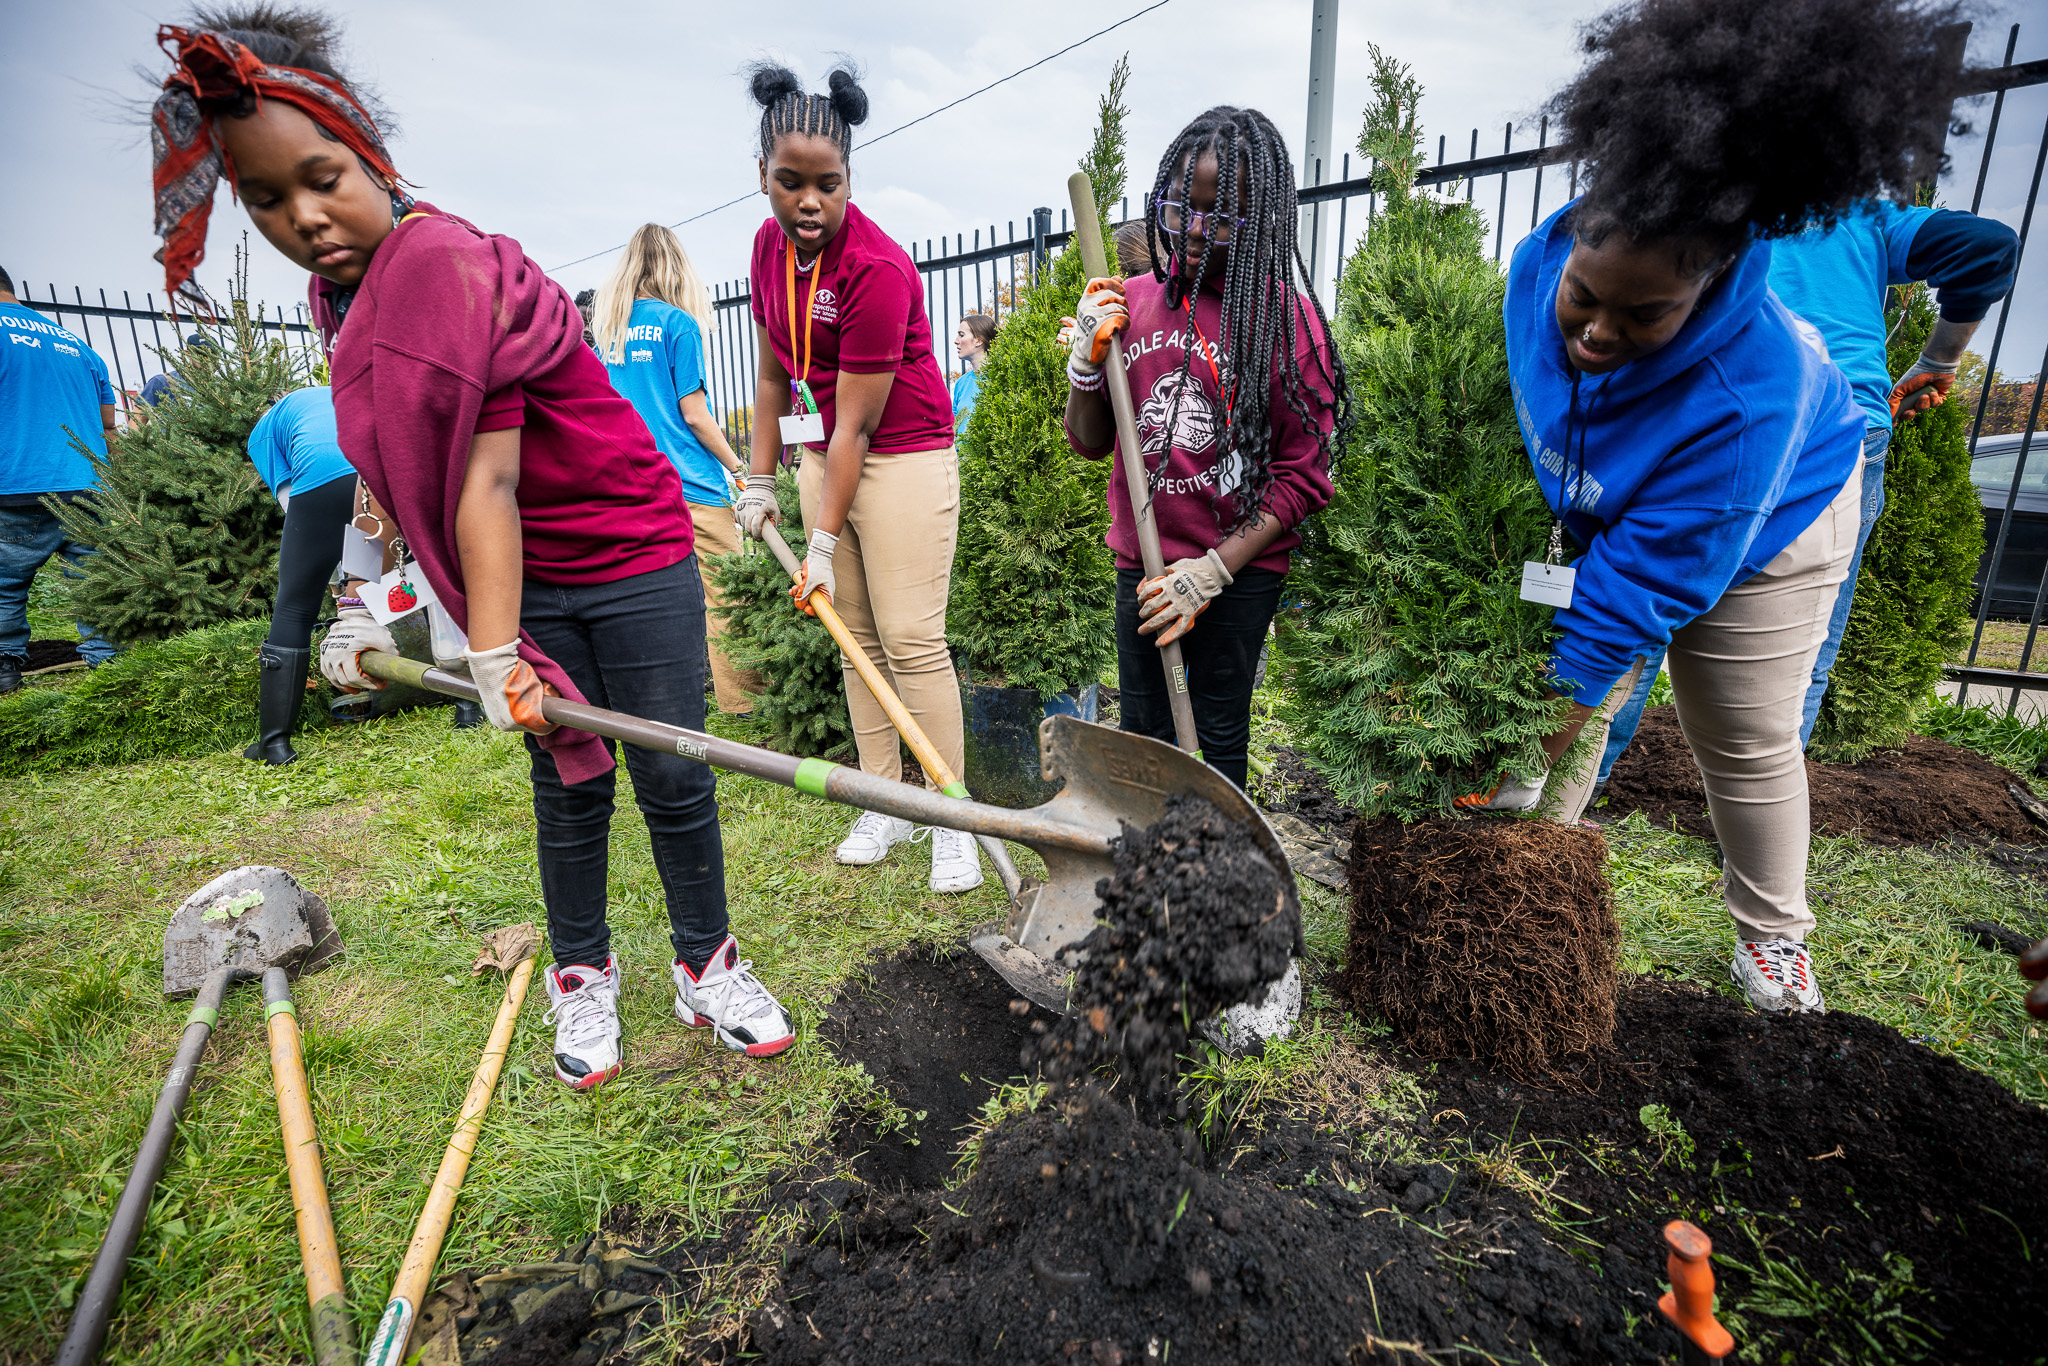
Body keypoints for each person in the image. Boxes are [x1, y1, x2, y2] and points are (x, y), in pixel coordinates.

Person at [150, 11, 795, 1085]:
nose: (304, 217)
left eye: (322, 178)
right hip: (528, 572)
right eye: (266, 199)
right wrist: (385, 575)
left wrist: (490, 651)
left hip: (627, 550)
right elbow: (413, 456)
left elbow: (487, 478)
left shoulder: (444, 269)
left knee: (673, 771)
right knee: (568, 780)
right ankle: (581, 978)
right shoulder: (344, 293)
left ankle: (706, 963)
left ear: (373, 158)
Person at [1461, 0, 1964, 1016]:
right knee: (1562, 701)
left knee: (1736, 734)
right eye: (1583, 299)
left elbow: (1626, 607)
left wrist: (1523, 735)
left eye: (1640, 314)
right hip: (1625, 501)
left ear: (1711, 285)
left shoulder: (1750, 392)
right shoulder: (1531, 269)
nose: (1595, 333)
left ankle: (1773, 945)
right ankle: (1508, 849)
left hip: (1776, 517)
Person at [1589, 200, 2020, 790]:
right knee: (1798, 641)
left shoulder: (1684, 200)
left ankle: (1570, 796)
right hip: (1840, 424)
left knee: (1634, 602)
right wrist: (1938, 358)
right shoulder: (1853, 214)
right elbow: (1985, 246)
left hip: (1703, 416)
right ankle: (1757, 808)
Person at [733, 62, 982, 893]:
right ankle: (885, 801)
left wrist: (822, 541)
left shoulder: (876, 268)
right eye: (790, 182)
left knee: (911, 641)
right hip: (821, 457)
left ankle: (951, 813)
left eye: (828, 185)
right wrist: (760, 481)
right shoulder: (769, 249)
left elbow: (859, 424)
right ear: (761, 174)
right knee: (855, 643)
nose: (809, 202)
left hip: (900, 457)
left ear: (850, 180)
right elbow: (774, 378)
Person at [1061, 105, 1349, 792]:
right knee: (1145, 738)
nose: (1193, 232)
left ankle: (1218, 873)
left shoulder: (1289, 322)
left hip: (1237, 571)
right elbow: (1089, 442)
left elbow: (1302, 478)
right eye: (1180, 208)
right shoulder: (1127, 303)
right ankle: (1152, 870)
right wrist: (1084, 367)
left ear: (1262, 222)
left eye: (1220, 218)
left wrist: (1212, 573)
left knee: (1218, 734)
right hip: (1145, 566)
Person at [592, 224, 761, 717]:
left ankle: (649, 703)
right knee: (727, 595)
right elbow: (694, 413)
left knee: (646, 597)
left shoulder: (609, 334)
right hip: (690, 483)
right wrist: (738, 466)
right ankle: (742, 702)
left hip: (629, 485)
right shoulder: (678, 323)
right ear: (675, 267)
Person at [0, 262, 123, 693]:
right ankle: (109, 667)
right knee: (93, 580)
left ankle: (4, 670)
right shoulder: (74, 343)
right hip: (86, 483)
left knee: (4, 583)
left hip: (13, 483)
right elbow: (108, 423)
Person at [950, 313, 995, 435]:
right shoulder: (961, 383)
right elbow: (954, 426)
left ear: (979, 340)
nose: (956, 341)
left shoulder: (999, 379)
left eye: (961, 335)